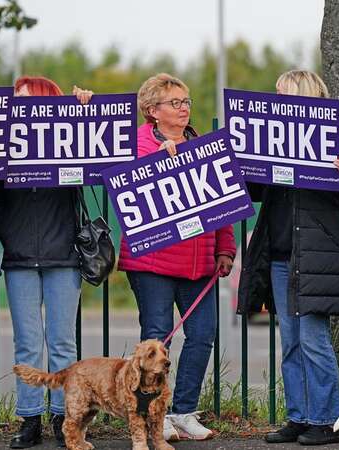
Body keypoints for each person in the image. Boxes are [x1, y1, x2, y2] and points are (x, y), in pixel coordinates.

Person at [239, 70, 339, 446]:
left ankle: (326, 419)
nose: (275, 98)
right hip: (280, 255)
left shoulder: (334, 135)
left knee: (313, 339)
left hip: (314, 255)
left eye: (282, 92)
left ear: (302, 95)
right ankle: (299, 416)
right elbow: (256, 191)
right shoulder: (270, 137)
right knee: (291, 341)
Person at [118, 72, 236, 441]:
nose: (184, 108)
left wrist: (225, 248)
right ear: (152, 110)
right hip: (152, 262)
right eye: (175, 102)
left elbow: (223, 202)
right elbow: (123, 182)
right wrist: (157, 159)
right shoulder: (134, 143)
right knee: (156, 338)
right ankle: (154, 415)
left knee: (202, 335)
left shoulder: (200, 144)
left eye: (186, 102)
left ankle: (183, 410)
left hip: (199, 263)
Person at [0, 76, 93, 449]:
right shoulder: (2, 146)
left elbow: (99, 159)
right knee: (27, 344)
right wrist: (8, 234)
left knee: (63, 344)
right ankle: (29, 419)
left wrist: (82, 112)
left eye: (26, 99)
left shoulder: (69, 141)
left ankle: (67, 419)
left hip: (63, 256)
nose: (19, 105)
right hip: (19, 259)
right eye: (16, 99)